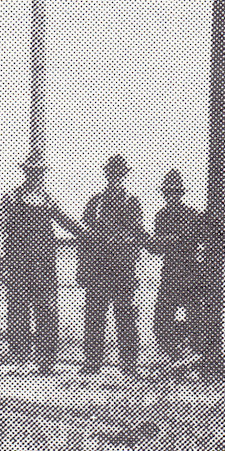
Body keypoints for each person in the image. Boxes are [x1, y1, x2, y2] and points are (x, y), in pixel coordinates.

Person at [0, 152, 81, 374]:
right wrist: (0, 262)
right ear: (26, 173)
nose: (36, 176)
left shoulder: (48, 200)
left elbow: (67, 222)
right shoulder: (12, 198)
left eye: (39, 173)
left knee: (48, 310)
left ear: (43, 175)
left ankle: (46, 360)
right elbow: (0, 231)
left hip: (44, 265)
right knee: (18, 310)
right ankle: (19, 358)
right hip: (18, 264)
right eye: (32, 172)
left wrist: (89, 236)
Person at [79, 154, 145, 376]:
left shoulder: (131, 202)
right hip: (98, 269)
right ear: (106, 175)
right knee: (94, 317)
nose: (114, 177)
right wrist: (83, 270)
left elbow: (138, 234)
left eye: (118, 174)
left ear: (124, 176)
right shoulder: (95, 202)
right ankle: (92, 362)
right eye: (111, 174)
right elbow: (84, 237)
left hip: (123, 270)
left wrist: (125, 244)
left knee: (126, 315)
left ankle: (129, 364)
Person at [149, 170, 206, 361]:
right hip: (170, 272)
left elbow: (199, 240)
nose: (170, 196)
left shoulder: (192, 215)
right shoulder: (161, 216)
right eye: (168, 192)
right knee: (161, 321)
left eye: (174, 192)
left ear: (180, 194)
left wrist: (175, 240)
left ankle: (192, 355)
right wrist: (158, 242)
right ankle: (175, 355)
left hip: (191, 272)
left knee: (196, 318)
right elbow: (157, 248)